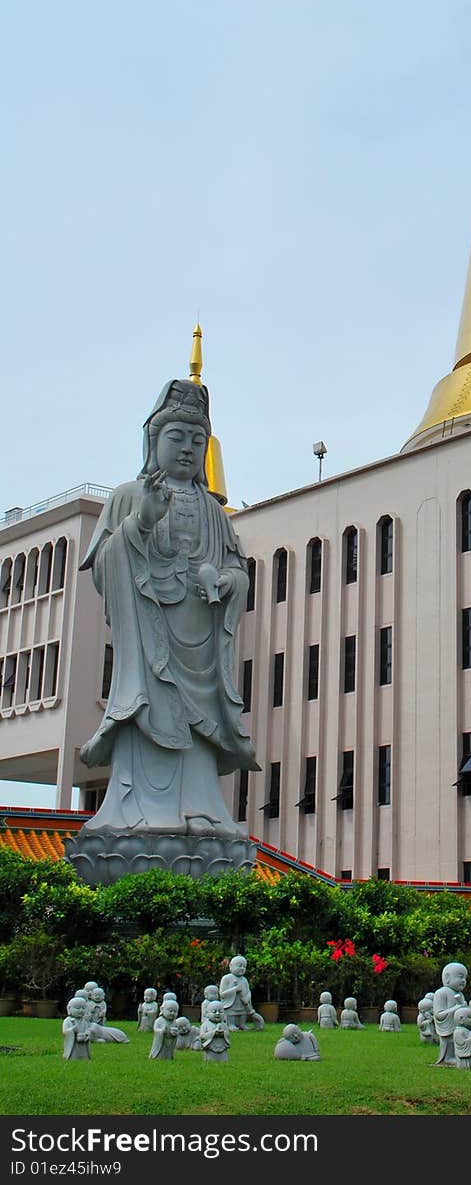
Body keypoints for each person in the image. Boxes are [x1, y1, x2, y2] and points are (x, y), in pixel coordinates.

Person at [74, 379, 260, 848]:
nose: (187, 449)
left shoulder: (216, 514)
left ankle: (202, 809)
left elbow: (238, 571)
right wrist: (141, 523)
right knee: (149, 713)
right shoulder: (127, 496)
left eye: (198, 441)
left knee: (198, 737)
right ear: (153, 441)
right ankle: (134, 811)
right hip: (148, 639)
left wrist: (225, 581)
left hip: (199, 645)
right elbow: (103, 570)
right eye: (176, 437)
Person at [432, 962, 468, 1066]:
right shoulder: (441, 993)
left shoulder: (460, 994)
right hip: (448, 1027)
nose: (463, 980)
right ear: (447, 977)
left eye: (465, 978)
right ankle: (447, 1058)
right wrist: (456, 1008)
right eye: (460, 977)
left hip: (460, 1027)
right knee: (450, 1042)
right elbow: (438, 1015)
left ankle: (461, 1055)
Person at [219, 955, 264, 1030]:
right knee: (231, 1013)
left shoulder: (244, 980)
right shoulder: (226, 978)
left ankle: (242, 1024)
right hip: (231, 1003)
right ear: (231, 966)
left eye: (244, 967)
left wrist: (247, 998)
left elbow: (248, 991)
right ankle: (231, 1024)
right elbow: (222, 994)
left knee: (243, 1013)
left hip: (242, 1003)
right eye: (239, 966)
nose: (242, 968)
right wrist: (235, 989)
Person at [61, 996, 92, 1061]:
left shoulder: (85, 1021)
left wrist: (87, 1034)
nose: (81, 1010)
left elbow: (88, 1029)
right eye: (77, 1008)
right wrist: (72, 1030)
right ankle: (72, 1057)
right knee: (74, 1053)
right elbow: (64, 1032)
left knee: (84, 1054)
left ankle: (85, 1058)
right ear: (69, 1008)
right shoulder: (68, 1021)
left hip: (83, 1042)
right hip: (73, 1045)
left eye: (83, 1008)